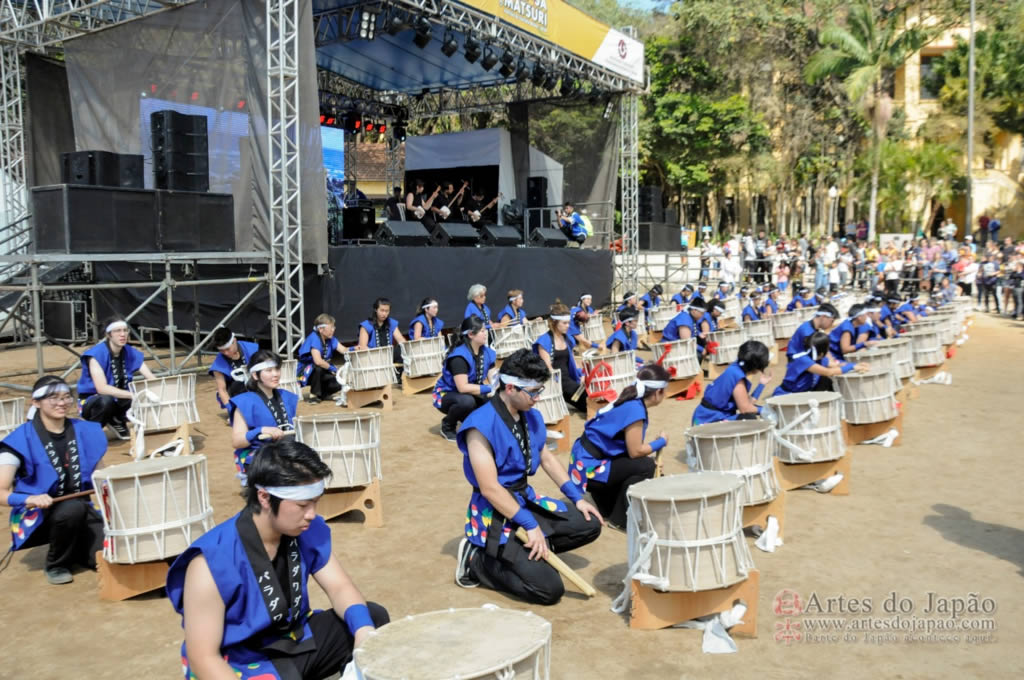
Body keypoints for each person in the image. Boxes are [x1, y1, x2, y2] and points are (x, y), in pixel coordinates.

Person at [166, 440, 389, 680]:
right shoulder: (210, 563)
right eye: (303, 505)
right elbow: (203, 657)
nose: (312, 514)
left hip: (293, 638)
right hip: (243, 659)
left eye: (315, 502)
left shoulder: (307, 529)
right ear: (264, 497)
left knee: (372, 618)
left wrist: (363, 631)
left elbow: (339, 586)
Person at [453, 349, 603, 604]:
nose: (538, 398)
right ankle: (476, 561)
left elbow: (545, 456)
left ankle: (528, 551)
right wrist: (530, 525)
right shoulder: (479, 426)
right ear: (511, 388)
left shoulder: (530, 415)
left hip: (524, 498)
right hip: (494, 510)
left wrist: (576, 497)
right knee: (549, 590)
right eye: (533, 392)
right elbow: (489, 488)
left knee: (589, 522)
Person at [0, 376, 107, 585]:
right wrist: (29, 499)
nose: (62, 403)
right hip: (38, 513)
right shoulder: (17, 441)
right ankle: (56, 563)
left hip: (82, 508)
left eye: (66, 397)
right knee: (71, 509)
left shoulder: (85, 430)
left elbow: (101, 476)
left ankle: (76, 547)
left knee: (106, 555)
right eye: (53, 398)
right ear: (36, 402)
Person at [567, 364, 669, 529]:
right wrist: (660, 442)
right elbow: (635, 452)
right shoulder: (635, 410)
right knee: (647, 465)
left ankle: (607, 504)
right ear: (658, 392)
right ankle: (620, 519)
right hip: (589, 469)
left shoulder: (630, 399)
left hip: (582, 462)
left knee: (640, 462)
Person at [76, 316, 156, 439]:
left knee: (145, 397)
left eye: (125, 330)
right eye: (117, 331)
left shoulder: (131, 352)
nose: (123, 334)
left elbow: (151, 377)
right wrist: (133, 395)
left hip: (118, 397)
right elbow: (102, 388)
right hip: (92, 400)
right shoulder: (96, 354)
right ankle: (90, 432)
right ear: (109, 335)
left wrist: (161, 390)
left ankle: (117, 420)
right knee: (106, 400)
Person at [229, 351, 299, 485]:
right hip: (259, 456)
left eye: (277, 369)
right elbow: (237, 441)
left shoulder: (288, 397)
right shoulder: (244, 402)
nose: (275, 374)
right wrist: (260, 430)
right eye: (269, 370)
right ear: (255, 375)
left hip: (285, 451)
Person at [433, 316, 497, 442]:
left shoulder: (487, 352)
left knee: (496, 401)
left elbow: (493, 376)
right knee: (467, 402)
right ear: (471, 334)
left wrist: (499, 386)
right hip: (446, 394)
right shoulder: (459, 356)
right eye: (482, 331)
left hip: (470, 392)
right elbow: (462, 387)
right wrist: (489, 388)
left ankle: (469, 421)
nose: (486, 334)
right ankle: (448, 425)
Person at [691, 340, 772, 425]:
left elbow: (746, 403)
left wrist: (761, 385)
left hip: (705, 416)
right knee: (749, 418)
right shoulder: (736, 376)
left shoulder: (735, 368)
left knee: (748, 416)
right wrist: (765, 410)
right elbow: (745, 409)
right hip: (709, 420)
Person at [774, 332, 867, 396]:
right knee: (825, 378)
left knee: (826, 381)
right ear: (823, 351)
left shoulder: (819, 359)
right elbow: (828, 372)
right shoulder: (803, 360)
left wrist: (856, 365)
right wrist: (851, 366)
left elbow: (836, 365)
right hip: (786, 395)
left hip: (801, 394)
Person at [533, 302, 586, 412]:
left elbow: (572, 361)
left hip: (570, 379)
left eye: (569, 323)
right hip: (556, 383)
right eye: (565, 323)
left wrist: (581, 374)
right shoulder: (544, 342)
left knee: (593, 390)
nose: (568, 326)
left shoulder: (568, 339)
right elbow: (548, 369)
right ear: (554, 322)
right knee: (586, 399)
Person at [209, 327, 261, 411]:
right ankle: (239, 410)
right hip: (235, 391)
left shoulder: (251, 349)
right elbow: (222, 390)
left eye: (227, 349)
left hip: (255, 384)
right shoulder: (218, 364)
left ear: (234, 341)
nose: (226, 353)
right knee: (237, 385)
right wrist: (231, 411)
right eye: (222, 351)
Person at [297, 315, 342, 405]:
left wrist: (355, 349)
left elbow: (344, 350)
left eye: (334, 327)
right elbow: (318, 361)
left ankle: (322, 395)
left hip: (322, 371)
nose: (333, 329)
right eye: (331, 327)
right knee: (318, 367)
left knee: (338, 382)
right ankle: (314, 395)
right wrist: (334, 369)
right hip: (305, 373)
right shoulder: (314, 338)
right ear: (321, 329)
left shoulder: (330, 339)